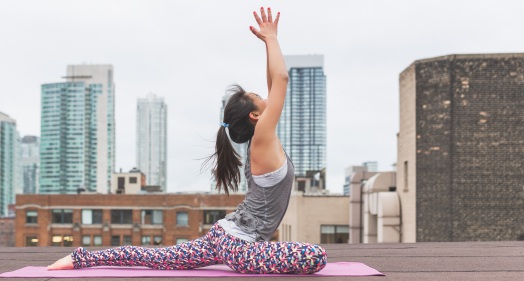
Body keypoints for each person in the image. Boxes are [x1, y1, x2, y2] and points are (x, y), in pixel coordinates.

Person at [47, 7, 327, 274]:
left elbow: (273, 82)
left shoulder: (264, 140)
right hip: (241, 246)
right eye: (260, 97)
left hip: (226, 235)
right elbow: (280, 78)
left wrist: (268, 43)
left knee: (157, 258)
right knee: (316, 256)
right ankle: (82, 258)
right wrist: (272, 38)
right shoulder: (262, 140)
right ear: (255, 115)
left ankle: (80, 257)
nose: (267, 96)